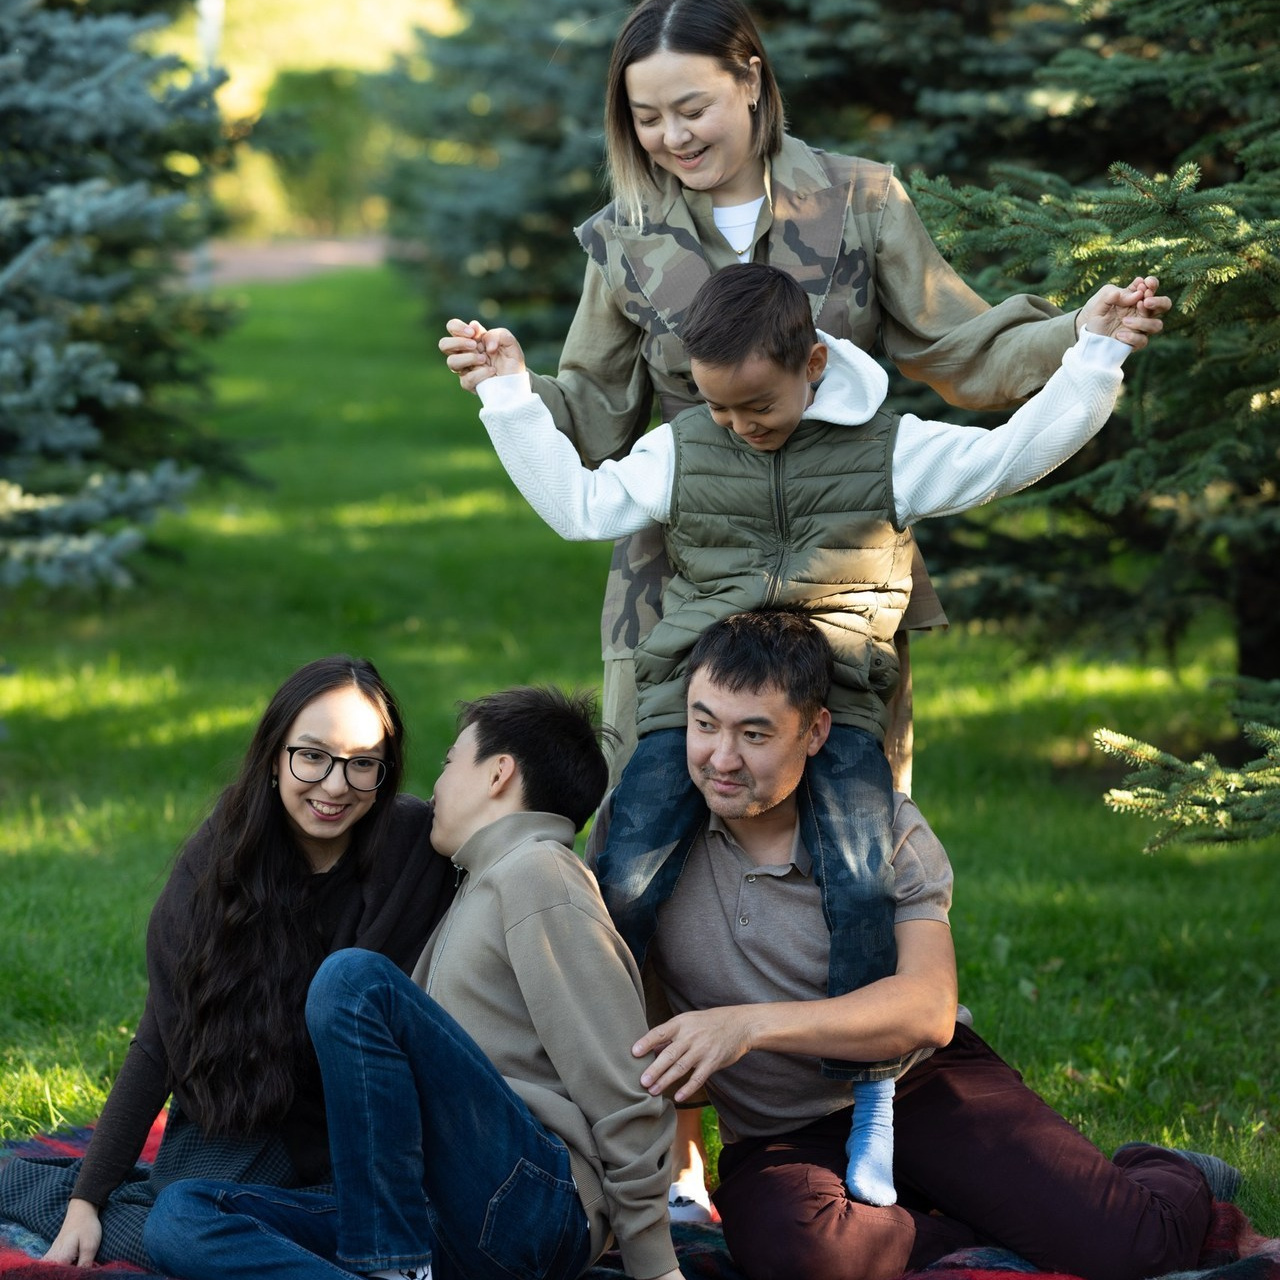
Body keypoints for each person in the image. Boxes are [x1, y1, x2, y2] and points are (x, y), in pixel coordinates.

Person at [443, 260, 1165, 1206]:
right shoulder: (687, 446)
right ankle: (619, 1108)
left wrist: (1097, 350)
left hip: (835, 705)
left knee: (860, 874)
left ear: (815, 362)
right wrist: (508, 395)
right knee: (621, 873)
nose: (737, 426)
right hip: (698, 702)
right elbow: (579, 508)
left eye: (758, 407)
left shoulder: (886, 447)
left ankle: (870, 1095)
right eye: (717, 406)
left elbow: (1010, 455)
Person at [438, 0, 1172, 797]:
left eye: (692, 109)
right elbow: (592, 410)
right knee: (653, 822)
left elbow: (961, 349)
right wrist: (511, 384)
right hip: (679, 578)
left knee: (852, 826)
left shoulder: (860, 198)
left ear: (751, 79)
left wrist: (1081, 335)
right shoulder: (626, 236)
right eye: (646, 118)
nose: (673, 137)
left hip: (841, 573)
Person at [588, 607, 1234, 1280]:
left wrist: (748, 1026)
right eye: (704, 724)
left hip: (918, 1084)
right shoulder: (638, 838)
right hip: (778, 1134)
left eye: (755, 734)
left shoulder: (884, 829)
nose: (722, 758)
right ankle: (981, 1223)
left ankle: (1164, 1172)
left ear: (815, 732)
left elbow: (926, 1008)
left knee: (1134, 1249)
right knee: (799, 1258)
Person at [144, 687, 681, 1280]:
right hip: (441, 1218)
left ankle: (392, 1266)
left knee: (352, 979)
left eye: (450, 763)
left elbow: (624, 1079)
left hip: (534, 1199)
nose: (434, 789)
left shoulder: (539, 872)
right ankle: (398, 1269)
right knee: (184, 1215)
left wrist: (653, 1265)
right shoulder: (476, 886)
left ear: (498, 774)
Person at [0, 656, 456, 1268]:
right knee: (167, 1226)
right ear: (274, 756)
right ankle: (56, 1192)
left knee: (337, 1227)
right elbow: (160, 1038)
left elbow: (525, 880)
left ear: (386, 769)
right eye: (312, 755)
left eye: (363, 764)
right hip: (241, 1106)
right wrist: (87, 1196)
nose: (336, 785)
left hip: (356, 1129)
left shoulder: (415, 846)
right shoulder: (222, 858)